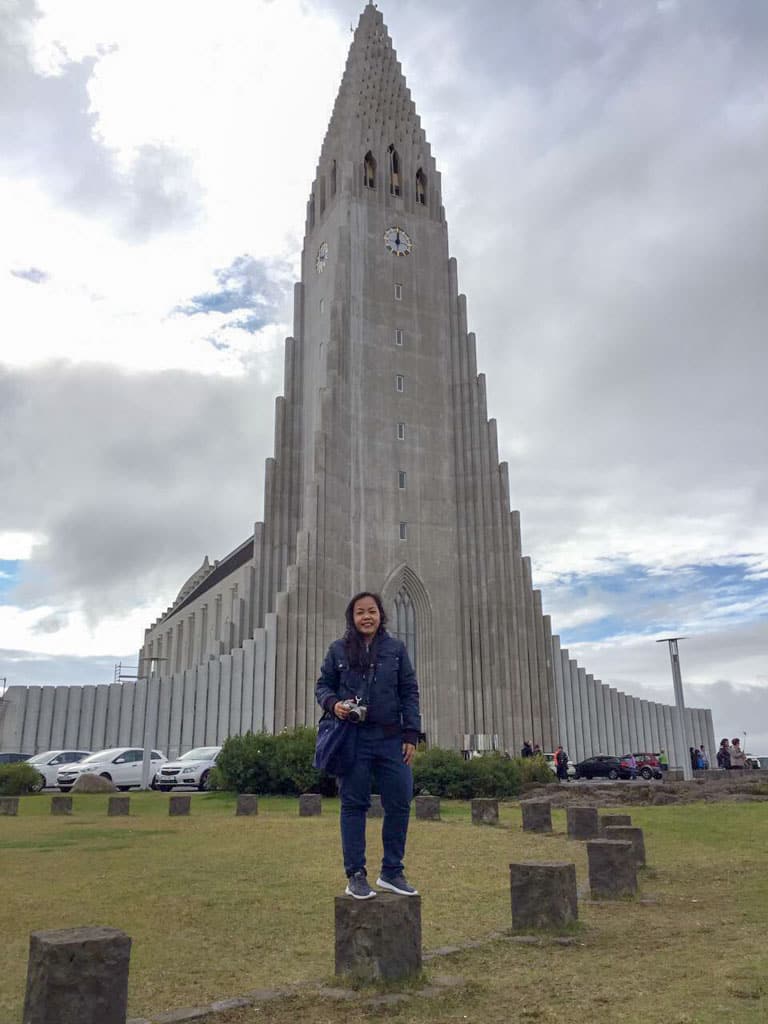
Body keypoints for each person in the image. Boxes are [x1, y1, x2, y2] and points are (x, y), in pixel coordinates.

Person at [315, 591, 421, 900]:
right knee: (354, 804)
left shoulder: (396, 650)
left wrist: (411, 734)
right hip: (353, 738)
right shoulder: (338, 650)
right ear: (352, 617)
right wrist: (333, 704)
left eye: (371, 611)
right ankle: (356, 875)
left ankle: (391, 872)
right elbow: (322, 686)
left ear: (380, 615)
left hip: (391, 739)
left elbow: (409, 692)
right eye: (360, 612)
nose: (366, 617)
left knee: (400, 800)